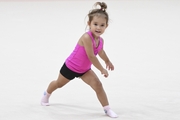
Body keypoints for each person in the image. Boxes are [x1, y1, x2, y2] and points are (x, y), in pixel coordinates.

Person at [41, 2, 118, 118]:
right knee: (59, 84)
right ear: (89, 24)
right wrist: (102, 69)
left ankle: (107, 109)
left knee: (98, 85)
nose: (98, 27)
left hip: (85, 70)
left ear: (106, 26)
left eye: (102, 25)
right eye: (95, 24)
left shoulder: (101, 41)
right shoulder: (86, 37)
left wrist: (107, 61)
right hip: (70, 67)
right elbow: (91, 56)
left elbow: (101, 52)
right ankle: (46, 94)